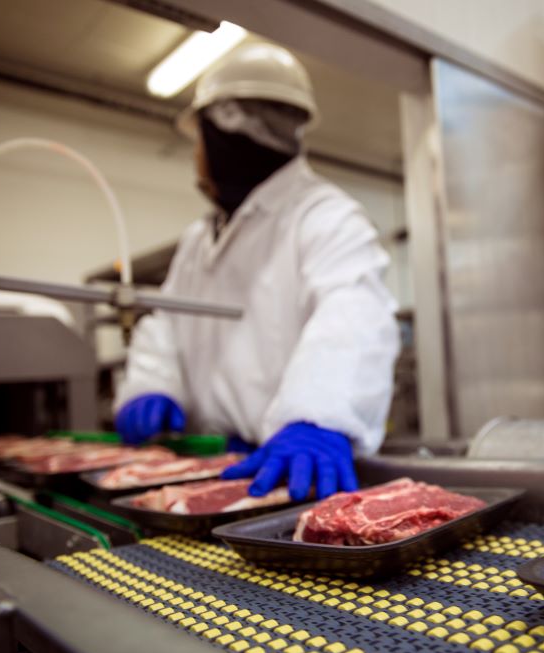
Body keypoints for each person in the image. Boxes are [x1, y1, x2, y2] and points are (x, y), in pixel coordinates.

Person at [113, 43, 400, 502]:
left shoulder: (324, 215)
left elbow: (354, 311)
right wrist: (151, 385)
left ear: (225, 132)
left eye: (200, 140)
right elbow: (167, 324)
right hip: (210, 466)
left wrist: (316, 417)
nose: (196, 158)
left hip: (291, 469)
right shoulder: (197, 240)